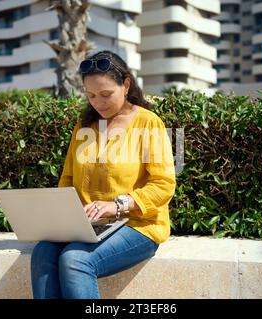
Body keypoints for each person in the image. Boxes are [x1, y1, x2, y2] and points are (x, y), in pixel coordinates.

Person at [30, 50, 176, 299]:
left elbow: (163, 185)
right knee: (43, 252)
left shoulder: (149, 123)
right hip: (89, 226)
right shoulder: (84, 126)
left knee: (75, 260)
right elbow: (67, 179)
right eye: (91, 96)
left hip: (138, 225)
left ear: (126, 84)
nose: (98, 102)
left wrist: (117, 206)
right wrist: (65, 215)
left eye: (106, 94)